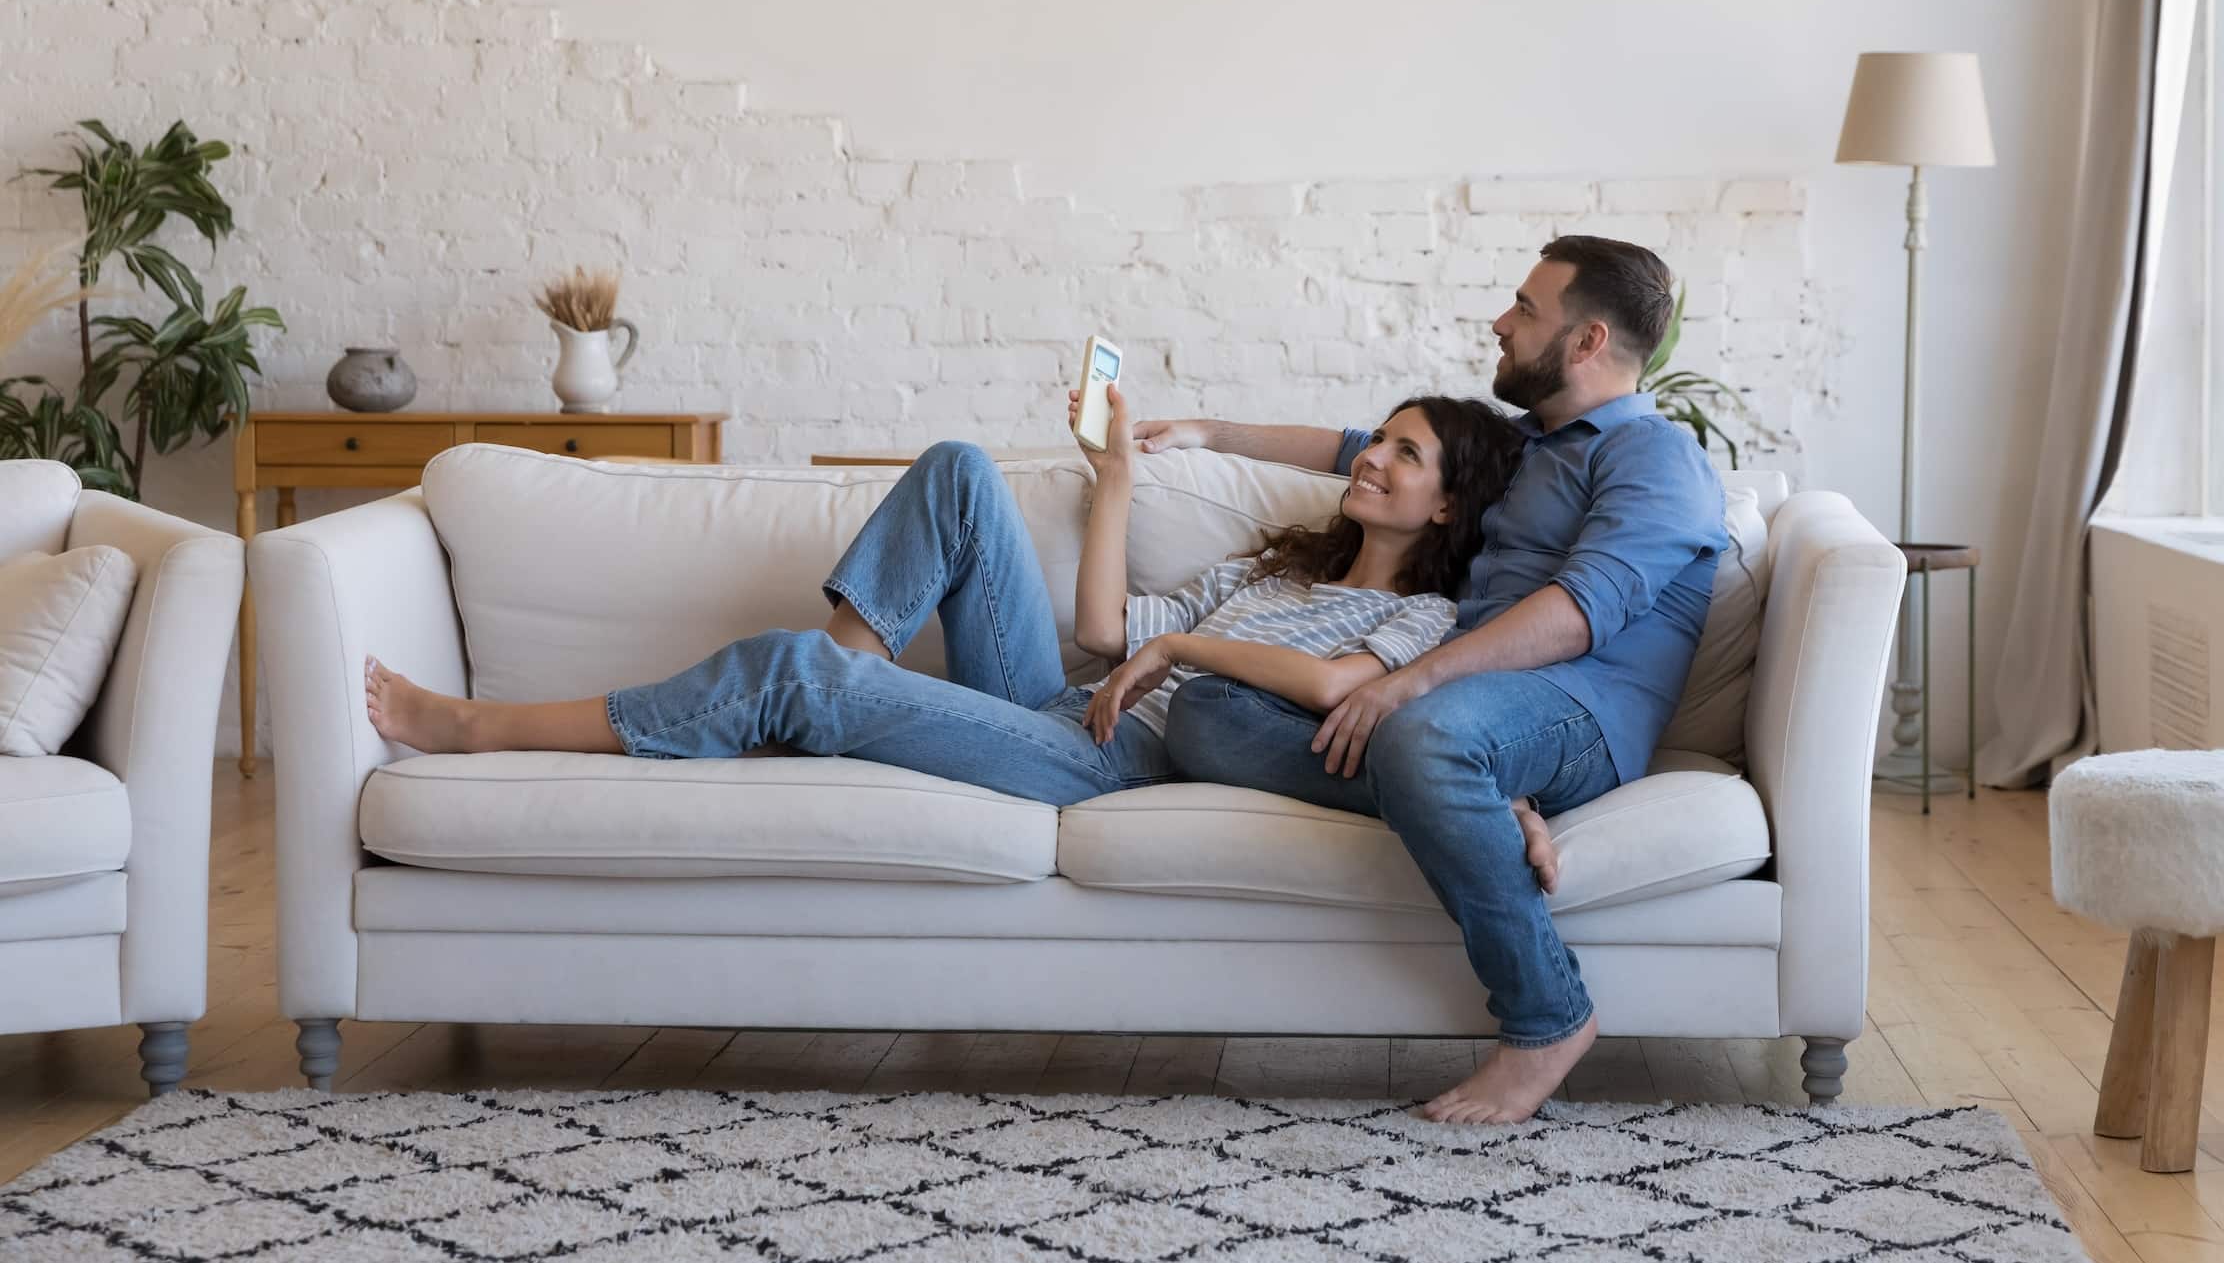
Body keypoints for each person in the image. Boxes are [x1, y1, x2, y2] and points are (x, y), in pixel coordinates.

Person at [1138, 236, 1727, 1125]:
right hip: (1473, 707)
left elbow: (1579, 613)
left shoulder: (1653, 454)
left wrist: (1409, 685)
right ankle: (1480, 800)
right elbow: (1352, 451)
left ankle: (1548, 1018)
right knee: (1209, 709)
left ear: (1586, 340)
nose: (1500, 320)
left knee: (1425, 735)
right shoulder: (1526, 446)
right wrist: (1205, 432)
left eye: (1526, 309)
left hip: (1580, 706)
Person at [362, 388, 1527, 813]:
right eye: (1378, 439)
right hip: (1067, 701)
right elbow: (1101, 635)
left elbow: (1333, 689)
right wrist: (1116, 481)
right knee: (961, 469)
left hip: (1122, 757)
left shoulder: (1421, 621)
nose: (1373, 457)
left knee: (790, 674)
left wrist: (1190, 652)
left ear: (1444, 508)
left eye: (1406, 454)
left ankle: (475, 724)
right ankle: (826, 692)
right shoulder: (1281, 566)